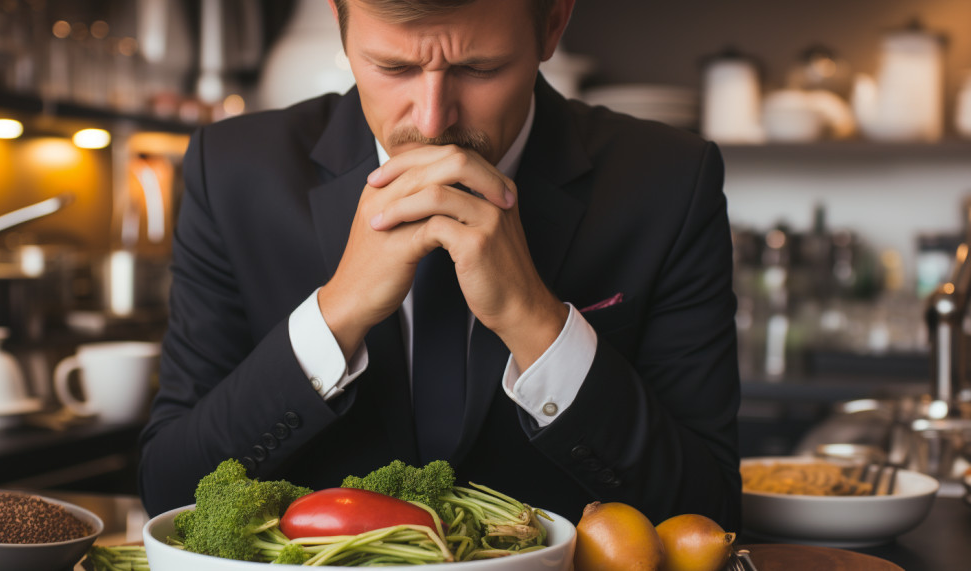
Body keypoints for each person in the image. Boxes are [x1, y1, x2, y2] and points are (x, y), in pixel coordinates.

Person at [138, 0, 742, 531]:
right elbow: (169, 492)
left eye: (479, 69)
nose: (432, 121)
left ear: (553, 22)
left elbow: (707, 513)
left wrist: (536, 323)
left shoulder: (670, 183)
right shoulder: (232, 172)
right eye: (393, 67)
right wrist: (336, 314)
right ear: (339, 20)